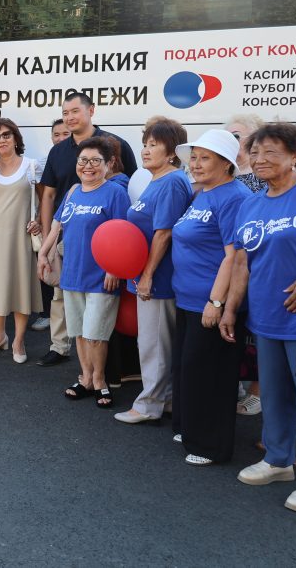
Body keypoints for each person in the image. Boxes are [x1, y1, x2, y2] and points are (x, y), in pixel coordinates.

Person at [220, 123, 296, 514]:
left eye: (271, 151)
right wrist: (230, 307)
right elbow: (242, 262)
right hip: (266, 318)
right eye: (255, 152)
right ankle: (279, 459)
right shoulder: (251, 204)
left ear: (295, 155)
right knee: (275, 395)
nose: (260, 159)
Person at [166, 130, 251, 463]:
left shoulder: (234, 196)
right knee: (188, 369)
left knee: (211, 374)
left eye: (205, 158)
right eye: (194, 158)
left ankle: (210, 446)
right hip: (188, 299)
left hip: (211, 302)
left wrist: (216, 302)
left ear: (226, 164)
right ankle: (191, 429)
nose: (196, 164)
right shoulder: (203, 192)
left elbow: (234, 256)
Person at [37, 92, 138, 367]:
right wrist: (46, 242)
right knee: (63, 297)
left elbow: (130, 188)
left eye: (75, 111)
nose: (69, 117)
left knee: (99, 315)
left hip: (104, 246)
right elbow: (49, 195)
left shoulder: (115, 145)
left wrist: (115, 262)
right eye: (65, 113)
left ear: (91, 110)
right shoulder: (58, 151)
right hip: (67, 235)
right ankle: (60, 348)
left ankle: (104, 372)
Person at [38, 137, 131, 408]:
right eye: (83, 160)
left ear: (109, 163)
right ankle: (86, 378)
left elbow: (123, 234)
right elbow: (56, 226)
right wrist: (43, 253)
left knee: (96, 334)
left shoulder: (115, 193)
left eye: (95, 161)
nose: (88, 166)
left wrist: (114, 268)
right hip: (72, 274)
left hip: (101, 276)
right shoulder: (73, 192)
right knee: (79, 331)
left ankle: (100, 381)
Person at [115, 119, 193, 425]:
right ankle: (165, 399)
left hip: (159, 277)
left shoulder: (172, 182)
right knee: (156, 342)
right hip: (149, 275)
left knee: (154, 344)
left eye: (153, 145)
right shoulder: (157, 180)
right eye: (144, 144)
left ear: (172, 151)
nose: (145, 150)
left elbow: (164, 233)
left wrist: (147, 275)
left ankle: (148, 405)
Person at [0, 118, 43, 362]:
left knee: (20, 286)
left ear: (15, 138)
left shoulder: (32, 166)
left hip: (20, 235)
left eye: (6, 135)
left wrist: (39, 221)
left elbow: (45, 199)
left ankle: (19, 341)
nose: (1, 140)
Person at [32, 119, 72, 333]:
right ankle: (58, 343)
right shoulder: (49, 159)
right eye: (56, 134)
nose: (60, 138)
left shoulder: (86, 156)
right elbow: (45, 196)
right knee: (57, 289)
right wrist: (46, 233)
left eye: (65, 134)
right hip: (58, 228)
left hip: (80, 228)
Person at [225, 114, 266, 193]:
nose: (230, 141)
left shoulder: (264, 175)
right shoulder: (220, 174)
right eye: (227, 137)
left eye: (235, 136)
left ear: (253, 139)